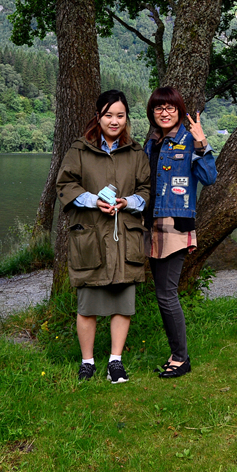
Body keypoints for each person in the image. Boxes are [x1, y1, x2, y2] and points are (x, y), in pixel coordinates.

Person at [56, 90, 151, 383]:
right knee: (88, 305)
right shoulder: (79, 150)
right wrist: (92, 200)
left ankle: (115, 362)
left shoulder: (136, 153)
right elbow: (65, 185)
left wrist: (128, 202)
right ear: (98, 117)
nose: (114, 121)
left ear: (126, 118)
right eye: (109, 115)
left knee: (123, 303)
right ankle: (87, 363)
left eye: (120, 115)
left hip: (125, 237)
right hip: (91, 237)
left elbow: (146, 190)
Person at [143, 87, 217, 378]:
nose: (164, 113)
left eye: (170, 108)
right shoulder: (152, 143)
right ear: (152, 113)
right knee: (162, 293)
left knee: (167, 294)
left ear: (179, 111)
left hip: (175, 225)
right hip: (150, 224)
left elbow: (209, 178)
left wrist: (202, 142)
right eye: (158, 108)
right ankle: (177, 354)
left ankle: (181, 359)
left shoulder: (188, 141)